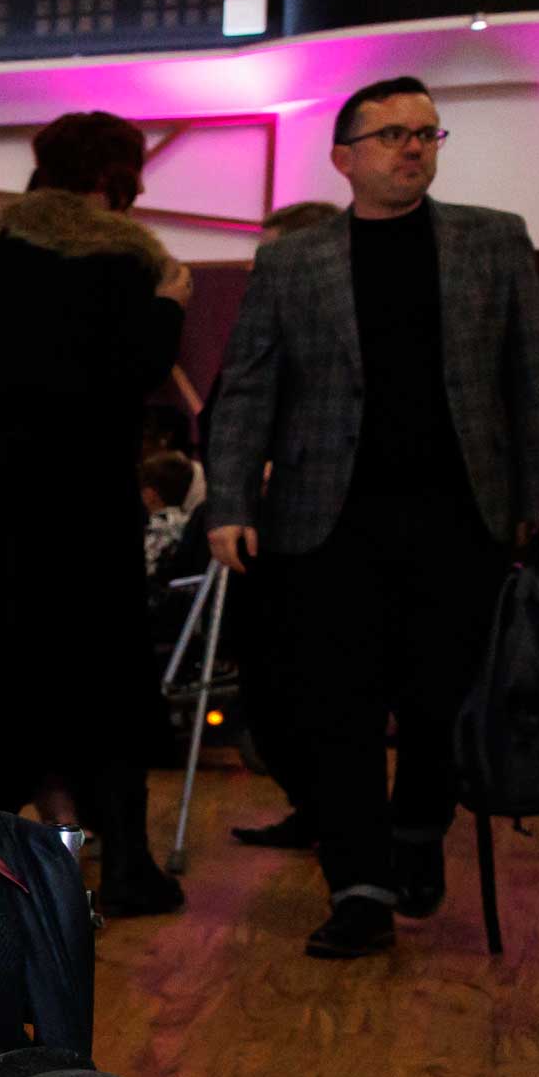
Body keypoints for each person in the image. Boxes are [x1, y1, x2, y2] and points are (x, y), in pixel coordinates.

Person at [205, 75, 539, 956]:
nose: (413, 147)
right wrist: (226, 502)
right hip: (325, 519)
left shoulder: (492, 240)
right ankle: (358, 887)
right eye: (394, 134)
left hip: (461, 512)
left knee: (443, 696)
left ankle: (415, 836)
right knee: (338, 706)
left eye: (427, 134)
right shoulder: (294, 258)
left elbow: (530, 373)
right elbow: (249, 382)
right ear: (345, 157)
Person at [0, 111, 191, 914]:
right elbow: (137, 370)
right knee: (98, 683)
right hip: (90, 512)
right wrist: (170, 305)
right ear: (113, 176)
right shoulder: (134, 260)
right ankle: (125, 865)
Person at [220, 198, 351, 854]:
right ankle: (313, 805)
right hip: (263, 531)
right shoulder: (264, 326)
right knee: (267, 690)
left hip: (314, 531)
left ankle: (337, 817)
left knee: (312, 687)